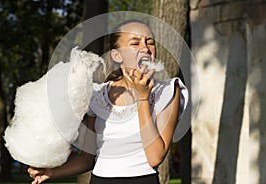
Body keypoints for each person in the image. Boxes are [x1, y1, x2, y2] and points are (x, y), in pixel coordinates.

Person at [27, 19, 188, 184]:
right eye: (135, 43)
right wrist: (51, 172)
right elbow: (87, 159)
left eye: (150, 42)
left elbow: (155, 157)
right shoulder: (97, 95)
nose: (145, 48)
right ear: (117, 55)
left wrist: (143, 97)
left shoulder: (167, 91)